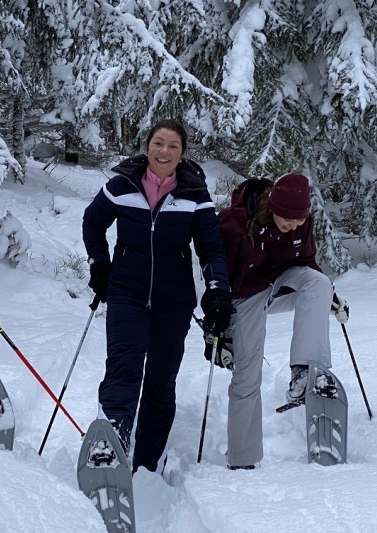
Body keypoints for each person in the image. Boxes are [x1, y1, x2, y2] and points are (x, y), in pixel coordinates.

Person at [83, 119, 233, 473]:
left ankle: (148, 465)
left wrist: (217, 293)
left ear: (182, 154)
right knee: (124, 368)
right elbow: (93, 222)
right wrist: (99, 266)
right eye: (158, 143)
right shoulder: (121, 185)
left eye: (173, 146)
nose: (164, 152)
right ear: (147, 145)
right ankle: (111, 444)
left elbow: (211, 249)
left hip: (174, 301)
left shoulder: (195, 195)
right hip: (126, 293)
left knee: (160, 382)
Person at [217, 173, 349, 469]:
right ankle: (242, 458)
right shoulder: (233, 225)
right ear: (272, 206)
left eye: (300, 219)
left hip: (282, 284)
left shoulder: (303, 223)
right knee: (247, 375)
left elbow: (308, 263)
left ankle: (306, 372)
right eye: (288, 219)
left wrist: (328, 295)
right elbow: (216, 279)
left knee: (318, 283)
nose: (294, 225)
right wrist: (220, 332)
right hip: (243, 295)